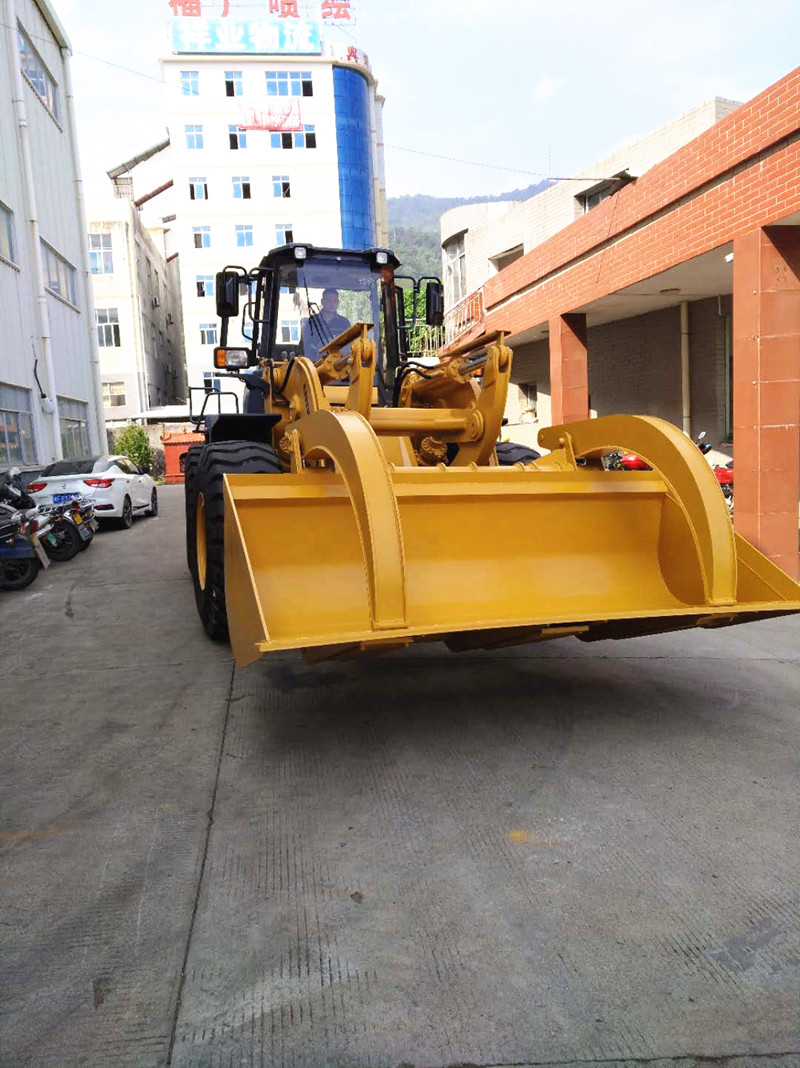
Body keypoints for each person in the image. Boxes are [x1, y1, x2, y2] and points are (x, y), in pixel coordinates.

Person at [302, 288, 350, 360]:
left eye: (335, 301)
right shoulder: (312, 321)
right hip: (315, 362)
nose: (332, 304)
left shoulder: (344, 322)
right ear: (322, 302)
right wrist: (317, 349)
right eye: (328, 301)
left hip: (338, 362)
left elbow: (349, 344)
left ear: (338, 303)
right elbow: (306, 344)